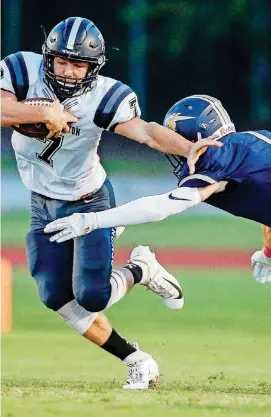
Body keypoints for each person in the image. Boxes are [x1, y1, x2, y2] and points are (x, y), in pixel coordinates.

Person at [0, 18, 217, 390]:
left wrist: (188, 148)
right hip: (42, 201)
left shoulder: (102, 96)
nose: (68, 72)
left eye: (78, 64)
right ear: (47, 57)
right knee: (55, 296)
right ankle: (137, 359)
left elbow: (146, 131)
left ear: (93, 67)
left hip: (91, 201)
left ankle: (139, 269)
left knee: (93, 295)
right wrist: (43, 112)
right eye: (61, 62)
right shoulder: (21, 69)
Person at [45, 94, 271, 283]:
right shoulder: (251, 145)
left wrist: (93, 220)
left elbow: (165, 206)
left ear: (197, 137)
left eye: (176, 138)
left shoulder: (218, 154)